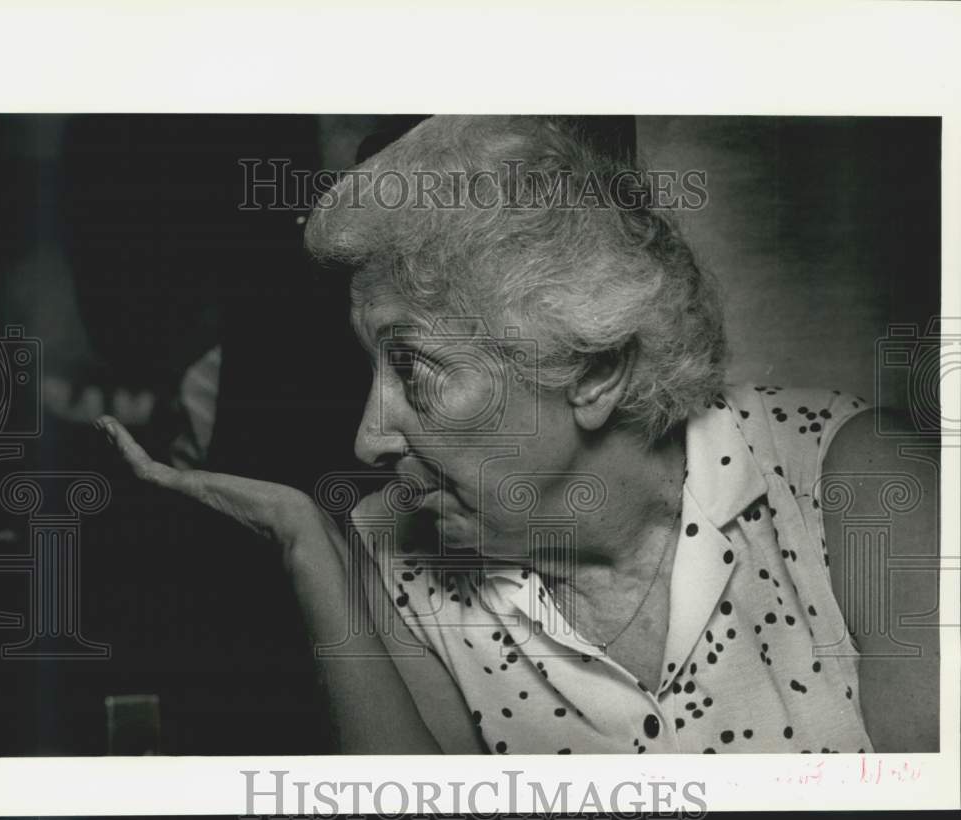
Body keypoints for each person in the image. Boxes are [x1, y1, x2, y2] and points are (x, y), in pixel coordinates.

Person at [96, 115, 939, 754]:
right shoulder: (396, 553)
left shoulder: (857, 481)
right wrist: (306, 543)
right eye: (371, 370)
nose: (367, 439)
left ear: (595, 370)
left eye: (413, 366)